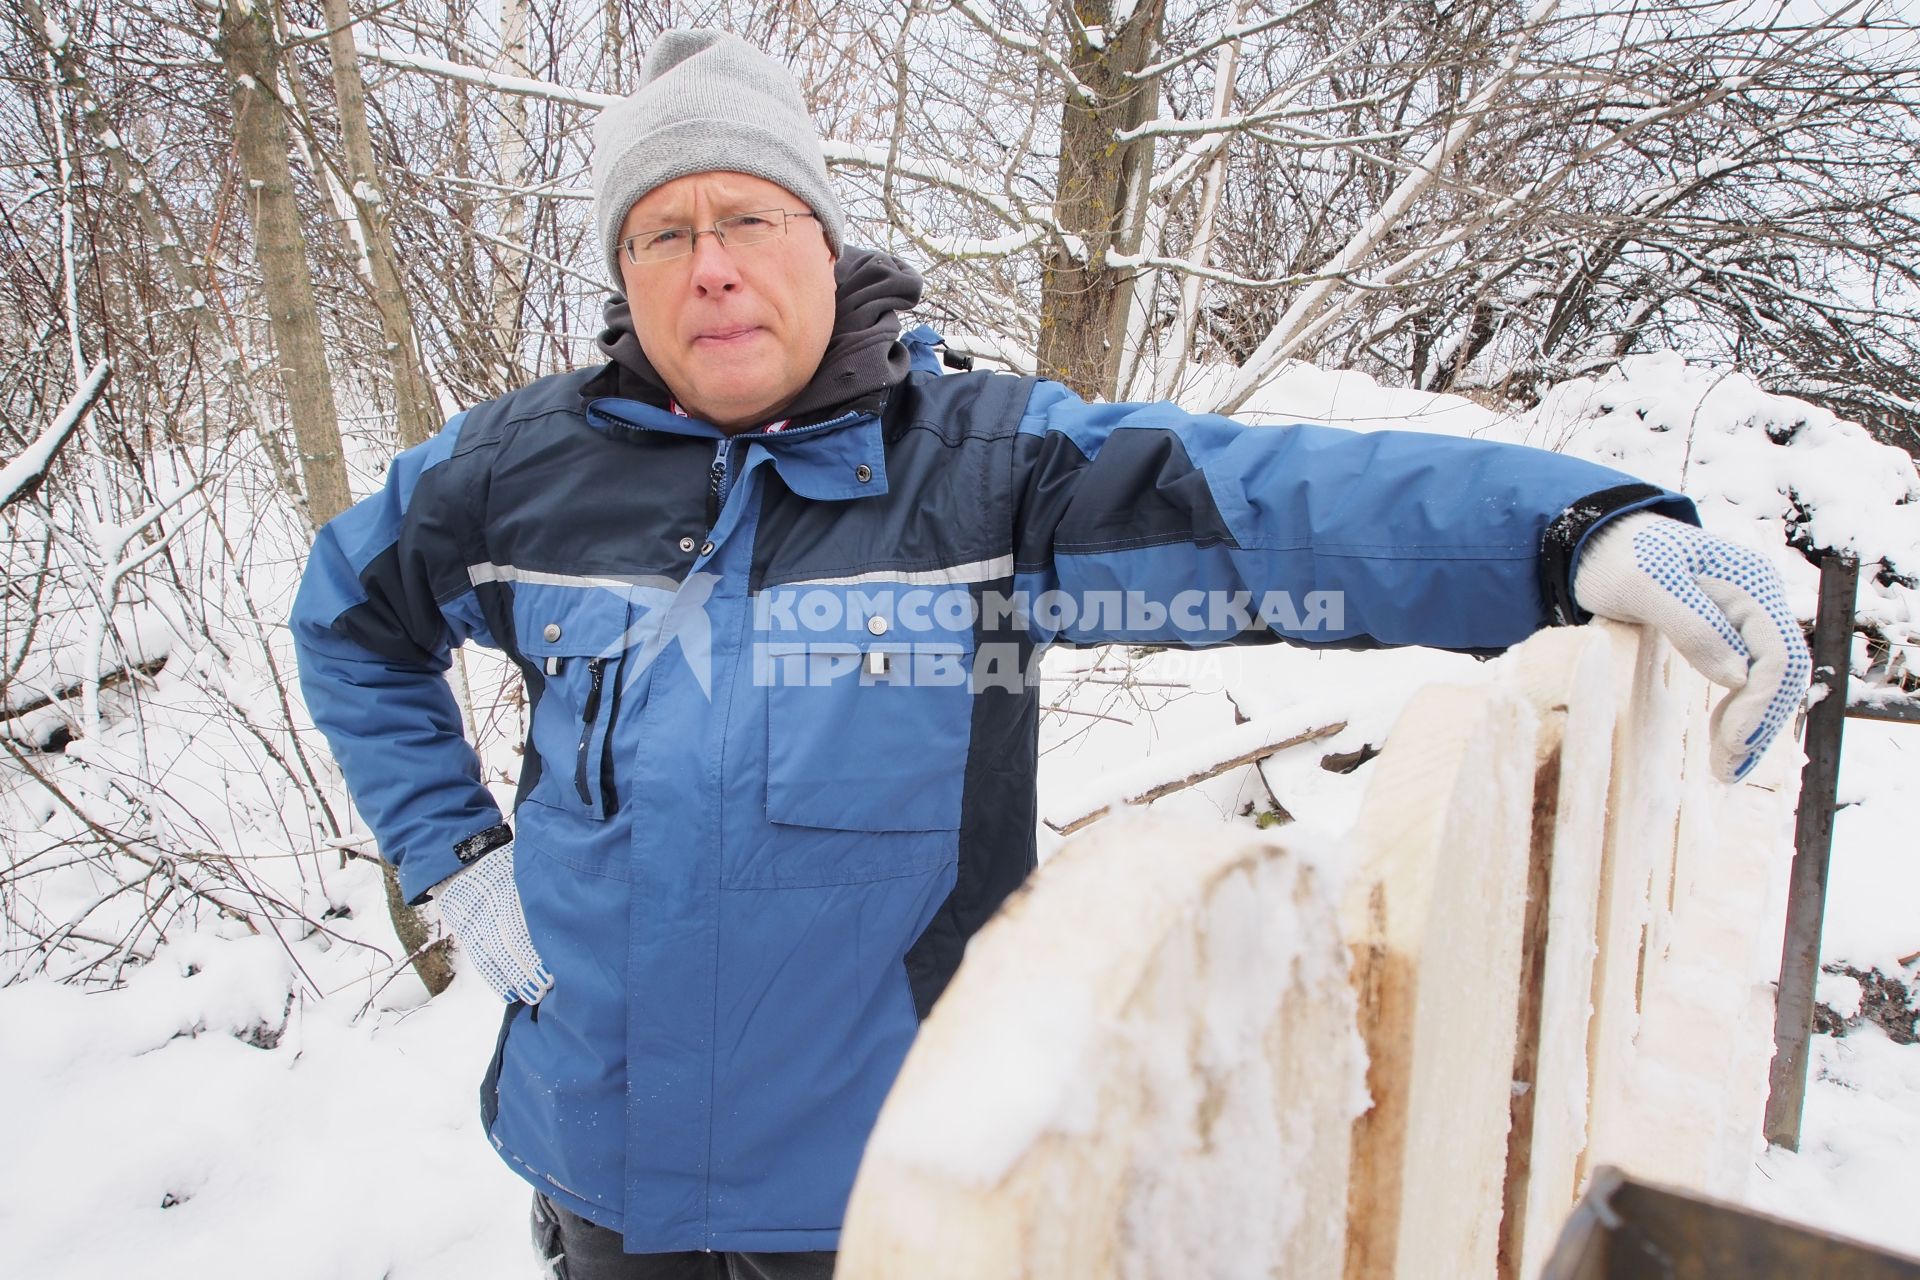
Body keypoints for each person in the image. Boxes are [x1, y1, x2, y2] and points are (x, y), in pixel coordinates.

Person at [290, 28, 1811, 1279]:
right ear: (624, 278)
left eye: (748, 218)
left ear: (823, 239)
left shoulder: (982, 471)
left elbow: (1263, 509)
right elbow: (351, 619)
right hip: (603, 1172)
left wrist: (1566, 534)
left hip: (883, 1190)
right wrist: (453, 855)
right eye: (663, 233)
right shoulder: (517, 472)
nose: (712, 267)